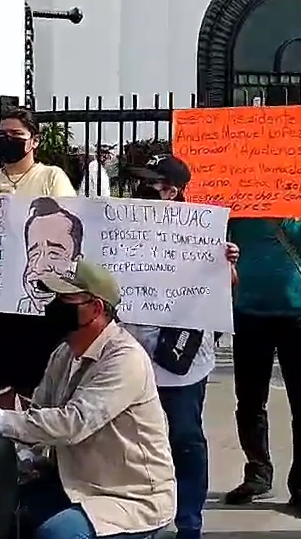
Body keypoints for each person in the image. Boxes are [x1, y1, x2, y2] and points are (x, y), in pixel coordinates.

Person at [0, 260, 175, 539]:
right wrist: (17, 459)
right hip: (71, 482)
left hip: (127, 496)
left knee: (57, 534)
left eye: (64, 300)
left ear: (96, 308)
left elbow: (72, 424)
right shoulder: (64, 354)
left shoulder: (125, 359)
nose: (53, 306)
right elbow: (38, 417)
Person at [123, 154, 240, 539]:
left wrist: (227, 262)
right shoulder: (125, 226)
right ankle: (142, 518)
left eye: (151, 183)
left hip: (181, 359)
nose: (142, 189)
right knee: (136, 442)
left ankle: (189, 522)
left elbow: (226, 285)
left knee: (185, 438)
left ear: (171, 191)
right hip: (131, 354)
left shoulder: (199, 231)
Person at [0, 106, 76, 410]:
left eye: (16, 135)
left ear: (34, 140)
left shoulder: (51, 178)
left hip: (36, 307)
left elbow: (66, 227)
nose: (7, 140)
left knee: (38, 394)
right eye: (2, 134)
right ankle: (2, 437)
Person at [223, 204, 301, 518]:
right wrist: (225, 255)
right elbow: (211, 246)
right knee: (249, 402)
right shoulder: (236, 204)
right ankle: (257, 473)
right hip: (249, 311)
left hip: (298, 313)